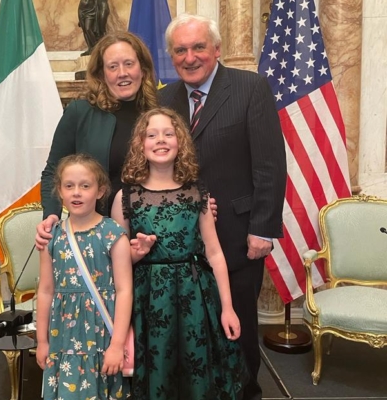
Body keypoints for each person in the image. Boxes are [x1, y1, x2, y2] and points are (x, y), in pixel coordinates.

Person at [158, 14, 287, 400]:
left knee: (239, 327)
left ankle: (247, 391)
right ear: (171, 55)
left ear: (216, 49)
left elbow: (269, 164)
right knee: (195, 327)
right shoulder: (165, 99)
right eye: (180, 50)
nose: (190, 56)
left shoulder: (250, 88)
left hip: (237, 235)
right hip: (182, 242)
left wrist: (263, 228)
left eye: (198, 47)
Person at [110, 107, 249, 400]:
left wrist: (227, 307)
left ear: (180, 142)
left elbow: (214, 253)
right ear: (140, 144)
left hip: (195, 296)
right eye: (151, 135)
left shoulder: (196, 192)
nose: (160, 140)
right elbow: (117, 265)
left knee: (194, 371)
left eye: (168, 133)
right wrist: (139, 252)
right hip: (147, 299)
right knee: (156, 369)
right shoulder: (126, 197)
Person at [36, 31, 158, 250]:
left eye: (129, 64)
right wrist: (51, 215)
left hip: (152, 235)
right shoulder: (79, 112)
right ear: (101, 74)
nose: (122, 73)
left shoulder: (160, 113)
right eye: (112, 67)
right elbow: (53, 170)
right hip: (96, 238)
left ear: (143, 69)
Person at [36, 153, 134, 399]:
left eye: (85, 186)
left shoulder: (113, 234)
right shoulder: (52, 237)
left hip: (102, 335)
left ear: (100, 191)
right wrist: (42, 341)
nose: (76, 192)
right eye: (69, 186)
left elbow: (124, 291)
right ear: (60, 191)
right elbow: (46, 290)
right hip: (64, 336)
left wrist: (117, 345)